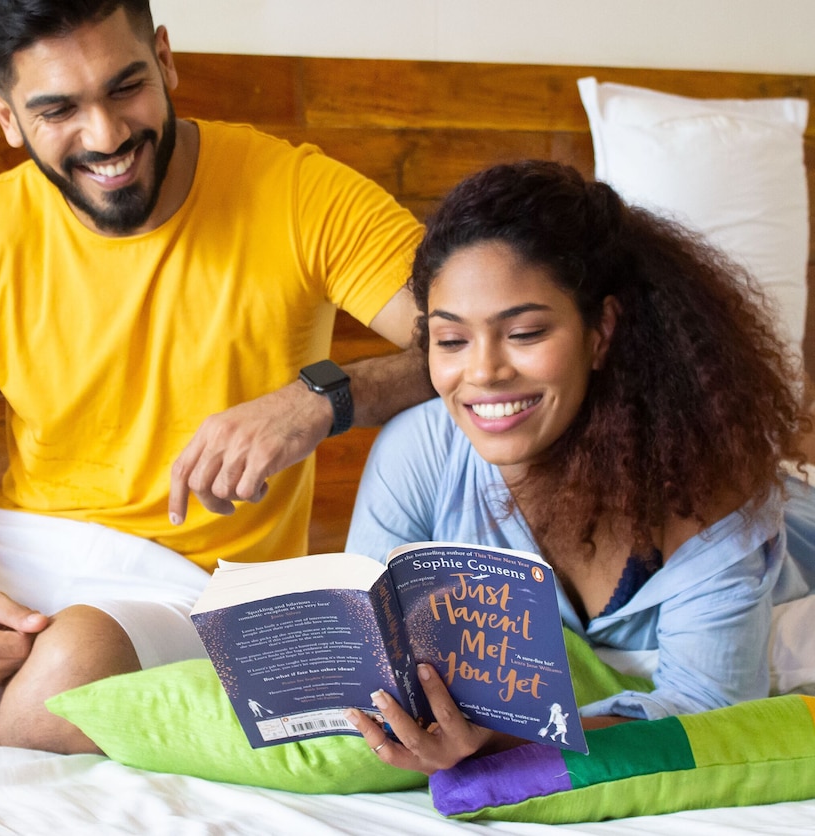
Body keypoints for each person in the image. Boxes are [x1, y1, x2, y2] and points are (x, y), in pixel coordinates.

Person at [0, 0, 433, 754]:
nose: (106, 136)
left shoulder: (301, 191)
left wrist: (322, 398)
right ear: (5, 115)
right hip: (20, 548)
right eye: (59, 110)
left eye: (126, 87)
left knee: (61, 681)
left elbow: (475, 340)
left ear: (165, 60)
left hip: (200, 581)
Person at [342, 160, 815, 774]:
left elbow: (709, 709)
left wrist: (495, 742)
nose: (483, 372)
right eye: (452, 340)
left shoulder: (709, 482)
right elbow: (366, 655)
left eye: (525, 332)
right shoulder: (418, 452)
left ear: (601, 330)